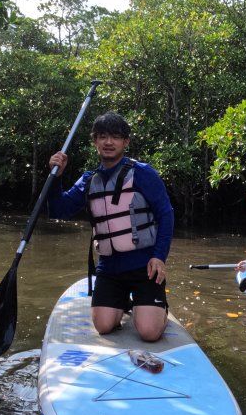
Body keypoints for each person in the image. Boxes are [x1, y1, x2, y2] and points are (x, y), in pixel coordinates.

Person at [47, 111, 174, 342]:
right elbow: (59, 210)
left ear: (125, 142)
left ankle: (156, 309)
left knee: (149, 333)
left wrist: (159, 256)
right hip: (109, 269)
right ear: (94, 140)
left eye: (115, 137)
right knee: (104, 326)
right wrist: (56, 177)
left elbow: (166, 214)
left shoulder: (143, 173)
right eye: (102, 136)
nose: (108, 142)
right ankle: (125, 303)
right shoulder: (89, 180)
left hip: (145, 266)